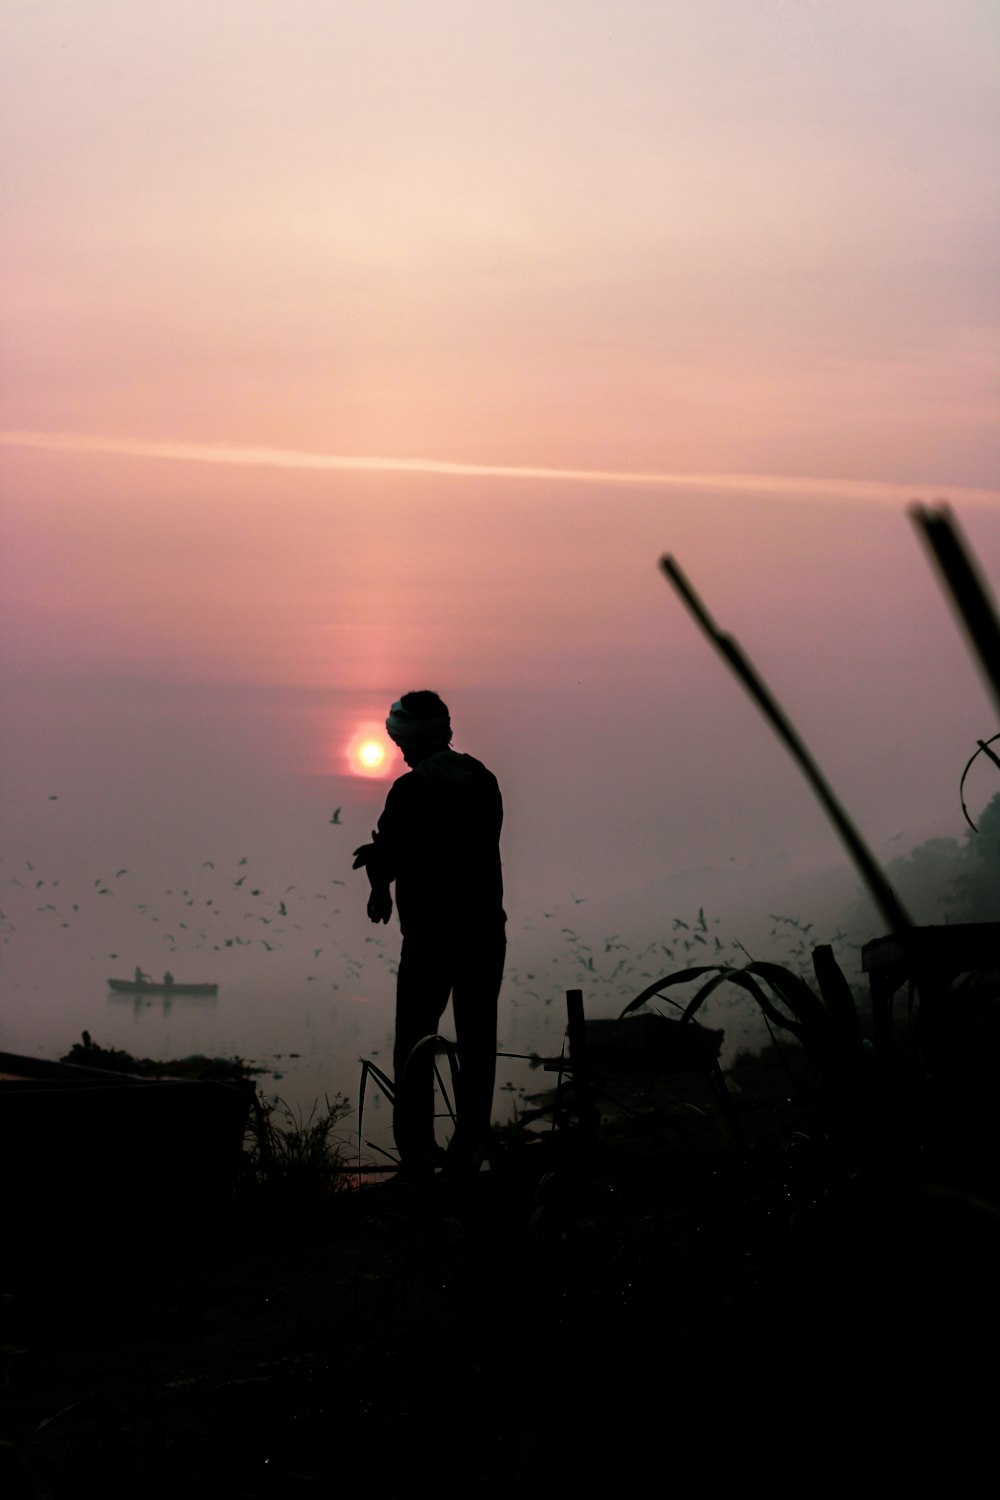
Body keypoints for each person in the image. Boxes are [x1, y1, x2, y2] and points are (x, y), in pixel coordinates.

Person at [352, 691, 506, 1177]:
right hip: (484, 933)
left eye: (399, 740)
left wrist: (379, 882)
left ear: (409, 740)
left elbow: (393, 852)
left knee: (415, 1047)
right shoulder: (482, 782)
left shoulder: (411, 791)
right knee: (477, 1040)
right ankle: (470, 1148)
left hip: (431, 939)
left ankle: (418, 1155)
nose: (397, 749)